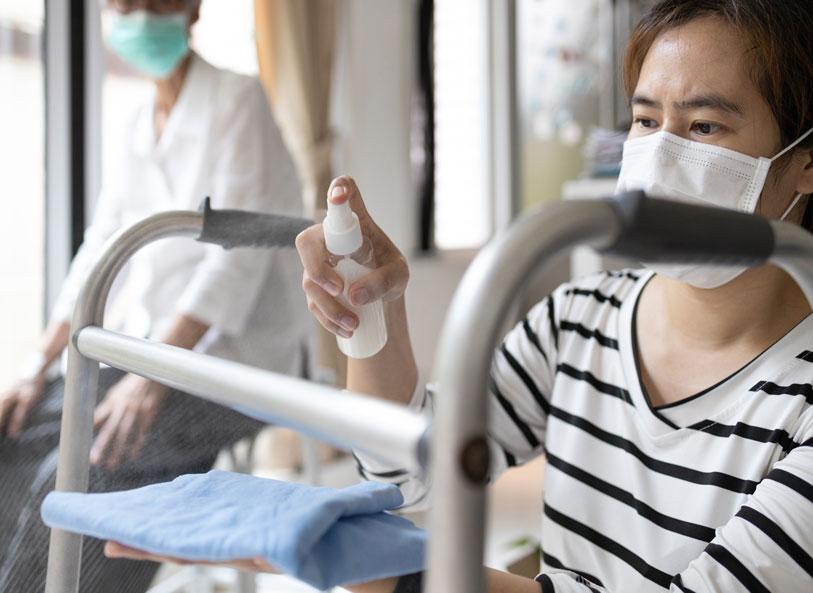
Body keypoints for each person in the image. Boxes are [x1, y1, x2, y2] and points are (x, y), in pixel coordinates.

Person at [104, 0, 813, 591]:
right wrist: (370, 318)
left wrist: (393, 571)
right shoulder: (579, 319)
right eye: (645, 120)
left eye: (704, 127)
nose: (660, 154)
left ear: (803, 163)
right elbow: (418, 480)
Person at [0, 0, 310, 591]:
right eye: (125, 4)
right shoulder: (135, 121)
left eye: (155, 2)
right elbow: (99, 249)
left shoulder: (239, 101)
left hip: (234, 364)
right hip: (144, 352)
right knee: (12, 439)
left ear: (192, 9)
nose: (139, 17)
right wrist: (34, 366)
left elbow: (237, 261)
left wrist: (152, 380)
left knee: (79, 472)